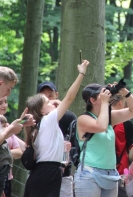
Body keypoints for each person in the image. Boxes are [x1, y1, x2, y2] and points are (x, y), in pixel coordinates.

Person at [23, 60, 89, 197]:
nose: (52, 102)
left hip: (46, 173)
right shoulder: (48, 120)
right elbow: (70, 98)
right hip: (47, 174)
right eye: (48, 102)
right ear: (41, 111)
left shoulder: (39, 126)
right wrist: (81, 73)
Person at [74, 82, 133, 197]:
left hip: (111, 175)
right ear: (92, 100)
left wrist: (124, 92)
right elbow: (101, 126)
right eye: (101, 94)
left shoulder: (109, 117)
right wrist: (105, 103)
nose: (106, 96)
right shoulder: (83, 119)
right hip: (89, 175)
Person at [37, 81, 77, 197]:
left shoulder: (69, 117)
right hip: (40, 171)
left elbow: (74, 143)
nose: (48, 100)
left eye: (50, 96)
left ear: (57, 95)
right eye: (44, 97)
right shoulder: (35, 118)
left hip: (63, 173)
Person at [0, 67, 35, 196]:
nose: (8, 94)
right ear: (1, 83)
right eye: (8, 89)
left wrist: (21, 123)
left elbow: (6, 133)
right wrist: (11, 128)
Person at [110, 94, 133, 197]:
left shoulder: (97, 119)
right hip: (120, 171)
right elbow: (131, 148)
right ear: (121, 103)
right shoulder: (126, 123)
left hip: (98, 170)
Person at [0, 97, 25, 197]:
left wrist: (23, 124)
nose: (4, 105)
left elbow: (21, 150)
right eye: (0, 102)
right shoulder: (8, 128)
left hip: (7, 176)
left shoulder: (8, 126)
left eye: (5, 102)